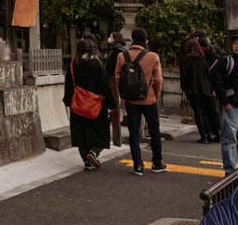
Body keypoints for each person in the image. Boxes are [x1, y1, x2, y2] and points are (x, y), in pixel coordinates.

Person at [116, 27, 166, 174]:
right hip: (149, 99)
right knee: (154, 131)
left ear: (131, 40)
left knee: (134, 133)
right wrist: (155, 95)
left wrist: (123, 99)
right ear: (146, 40)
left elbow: (118, 79)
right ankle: (157, 163)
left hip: (131, 101)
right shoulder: (153, 57)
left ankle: (138, 165)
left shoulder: (122, 56)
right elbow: (158, 80)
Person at [64, 37, 112, 170]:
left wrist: (68, 101)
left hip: (78, 105)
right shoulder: (96, 65)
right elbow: (105, 85)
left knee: (81, 135)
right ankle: (94, 152)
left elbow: (68, 85)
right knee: (100, 132)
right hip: (95, 105)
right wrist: (111, 104)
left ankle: (86, 159)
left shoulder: (73, 65)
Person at [211, 34, 238, 173]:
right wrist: (225, 102)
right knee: (229, 139)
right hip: (233, 104)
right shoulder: (227, 61)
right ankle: (229, 170)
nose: (237, 46)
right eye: (235, 43)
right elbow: (216, 80)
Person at [180, 32, 220, 143]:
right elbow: (208, 75)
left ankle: (204, 135)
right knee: (208, 111)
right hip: (205, 89)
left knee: (198, 112)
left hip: (193, 90)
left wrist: (185, 89)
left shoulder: (186, 60)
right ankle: (215, 133)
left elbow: (184, 76)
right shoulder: (202, 60)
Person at [104, 31, 128, 148]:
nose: (108, 38)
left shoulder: (116, 52)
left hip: (113, 81)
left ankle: (116, 137)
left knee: (114, 107)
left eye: (110, 36)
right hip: (114, 81)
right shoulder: (119, 50)